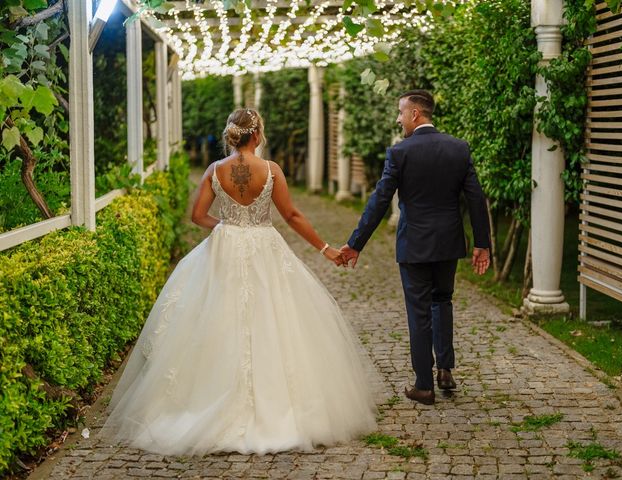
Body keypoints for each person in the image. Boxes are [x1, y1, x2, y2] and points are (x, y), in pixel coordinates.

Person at [100, 108, 377, 455]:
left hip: (225, 246)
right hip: (264, 246)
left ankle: (206, 400)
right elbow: (291, 214)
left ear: (232, 135)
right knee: (272, 318)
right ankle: (277, 406)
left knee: (217, 316)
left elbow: (197, 215)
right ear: (257, 134)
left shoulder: (215, 171)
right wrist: (325, 249)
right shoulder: (271, 170)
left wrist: (226, 225)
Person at [340, 90, 491, 406]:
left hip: (414, 245)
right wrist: (482, 244)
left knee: (419, 311)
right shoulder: (458, 148)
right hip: (449, 243)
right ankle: (446, 370)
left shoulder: (399, 153)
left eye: (400, 113)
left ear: (415, 114)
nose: (398, 119)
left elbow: (379, 201)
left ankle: (424, 384)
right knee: (443, 300)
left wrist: (356, 244)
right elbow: (476, 198)